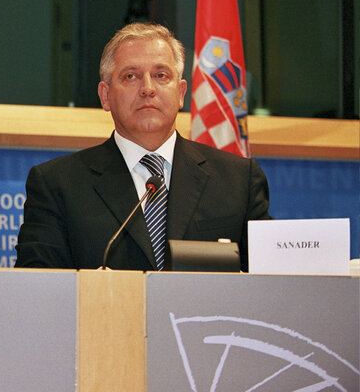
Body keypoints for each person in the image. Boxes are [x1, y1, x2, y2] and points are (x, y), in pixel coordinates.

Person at [15, 22, 271, 271]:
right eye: (131, 76)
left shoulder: (238, 180)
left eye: (161, 75)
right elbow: (38, 286)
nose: (147, 89)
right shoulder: (57, 184)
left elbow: (270, 282)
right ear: (105, 96)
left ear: (181, 93)